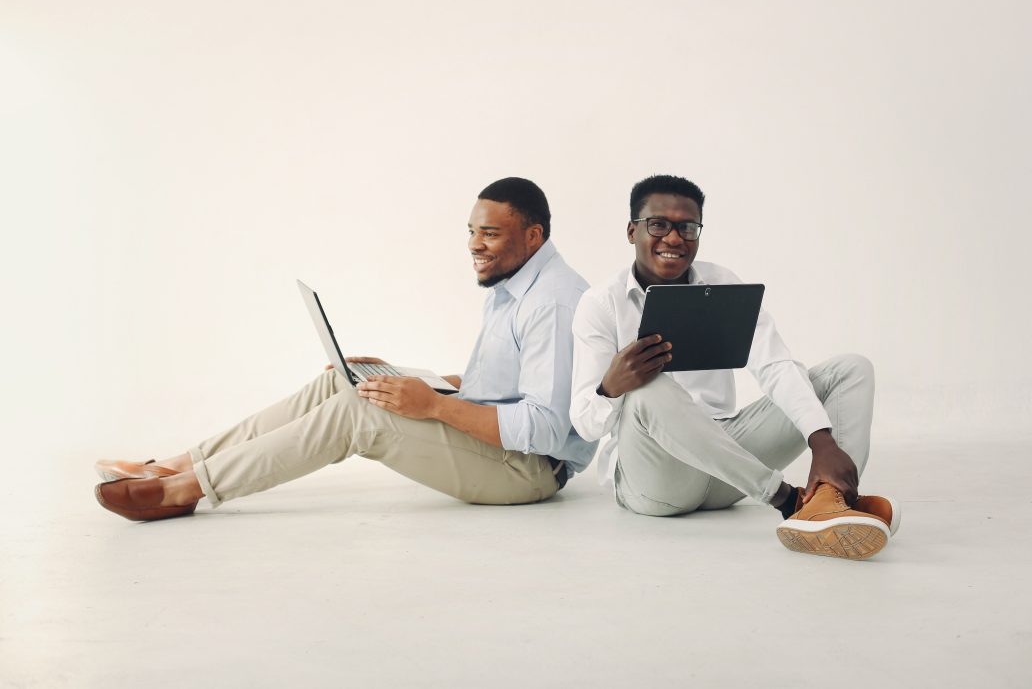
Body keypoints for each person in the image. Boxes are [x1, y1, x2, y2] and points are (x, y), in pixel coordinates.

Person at [95, 177, 595, 521]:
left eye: (490, 233)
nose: (473, 244)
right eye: (471, 231)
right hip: (501, 446)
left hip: (527, 470)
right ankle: (179, 464)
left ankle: (186, 490)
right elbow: (508, 387)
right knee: (343, 381)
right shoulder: (516, 281)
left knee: (359, 412)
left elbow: (544, 428)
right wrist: (411, 380)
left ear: (533, 236)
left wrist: (435, 405)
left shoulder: (552, 303)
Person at [569, 174, 899, 560]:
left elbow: (775, 365)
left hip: (729, 467)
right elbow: (586, 426)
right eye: (658, 225)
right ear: (632, 231)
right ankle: (790, 502)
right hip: (658, 483)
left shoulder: (721, 283)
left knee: (851, 370)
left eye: (687, 227)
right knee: (648, 387)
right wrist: (611, 387)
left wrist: (821, 441)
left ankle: (831, 502)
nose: (674, 238)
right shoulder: (601, 304)